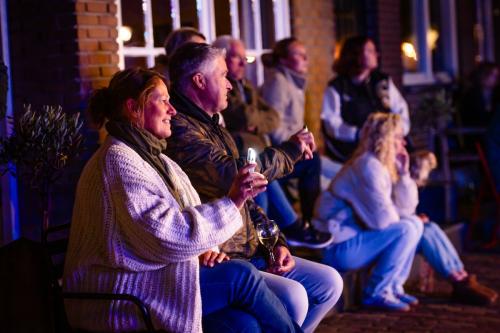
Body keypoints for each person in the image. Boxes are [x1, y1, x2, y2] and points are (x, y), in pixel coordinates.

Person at [63, 68, 302, 333]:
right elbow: (167, 235)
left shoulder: (156, 158)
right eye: (162, 101)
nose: (172, 110)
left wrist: (201, 252)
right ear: (133, 108)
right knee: (241, 276)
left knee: (245, 325)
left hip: (159, 277)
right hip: (125, 292)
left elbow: (173, 223)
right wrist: (233, 200)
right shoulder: (118, 161)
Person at [166, 43, 343, 333]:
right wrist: (290, 151)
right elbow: (236, 177)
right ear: (199, 80)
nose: (230, 85)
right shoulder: (181, 131)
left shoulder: (212, 125)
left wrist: (277, 243)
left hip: (253, 248)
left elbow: (246, 200)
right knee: (294, 296)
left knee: (329, 283)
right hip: (226, 257)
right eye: (223, 75)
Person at [213, 35, 332, 249]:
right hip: (251, 153)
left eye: (244, 57)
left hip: (260, 149)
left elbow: (272, 116)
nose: (242, 63)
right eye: (235, 58)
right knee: (267, 176)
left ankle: (297, 229)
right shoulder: (274, 81)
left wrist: (256, 121)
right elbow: (248, 118)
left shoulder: (245, 84)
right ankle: (289, 232)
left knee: (308, 163)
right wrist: (257, 121)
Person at [314, 113, 421, 312]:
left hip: (353, 237)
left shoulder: (379, 165)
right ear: (387, 140)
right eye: (398, 137)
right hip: (337, 246)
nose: (403, 142)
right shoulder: (368, 166)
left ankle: (393, 287)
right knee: (406, 228)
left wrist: (405, 174)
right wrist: (399, 212)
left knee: (414, 223)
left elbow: (407, 209)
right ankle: (376, 292)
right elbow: (382, 221)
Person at [409, 150, 498, 305]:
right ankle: (457, 281)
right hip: (392, 230)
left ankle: (462, 276)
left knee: (432, 227)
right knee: (426, 233)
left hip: (403, 224)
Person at [260, 37, 324, 231]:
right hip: (277, 152)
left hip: (291, 145)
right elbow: (272, 127)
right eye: (299, 54)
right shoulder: (278, 82)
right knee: (313, 163)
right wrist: (298, 144)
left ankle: (313, 220)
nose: (306, 58)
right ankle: (307, 223)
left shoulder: (294, 82)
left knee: (323, 164)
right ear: (284, 59)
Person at [321, 36, 410, 162]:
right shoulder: (337, 87)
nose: (376, 54)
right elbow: (331, 124)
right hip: (352, 154)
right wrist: (359, 134)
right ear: (356, 55)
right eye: (370, 50)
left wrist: (398, 131)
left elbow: (400, 109)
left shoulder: (382, 81)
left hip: (386, 148)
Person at [459, 61, 499, 128]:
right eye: (493, 75)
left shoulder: (496, 93)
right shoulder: (471, 95)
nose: (496, 79)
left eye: (497, 76)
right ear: (484, 75)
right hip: (476, 132)